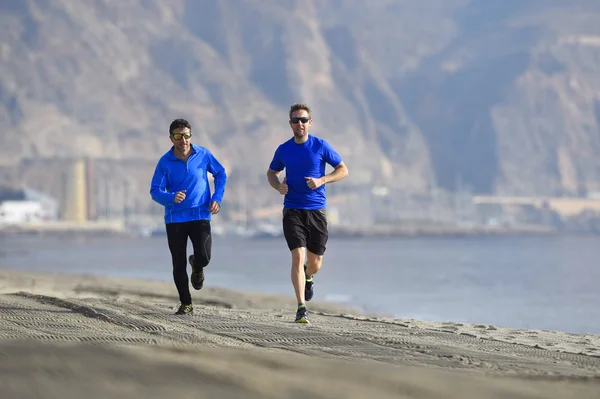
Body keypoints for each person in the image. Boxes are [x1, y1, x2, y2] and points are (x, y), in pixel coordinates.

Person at [267, 103, 349, 323]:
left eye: (303, 120)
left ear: (310, 123)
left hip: (317, 210)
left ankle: (309, 276)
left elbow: (343, 170)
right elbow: (271, 172)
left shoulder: (321, 146)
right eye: (295, 121)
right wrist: (278, 186)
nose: (299, 124)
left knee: (315, 262)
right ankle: (301, 307)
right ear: (290, 124)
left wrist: (322, 180)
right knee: (297, 256)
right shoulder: (284, 149)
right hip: (292, 209)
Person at [150, 118, 227, 315]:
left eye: (186, 135)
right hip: (175, 219)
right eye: (178, 136)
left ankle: (198, 266)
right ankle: (186, 303)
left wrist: (217, 197)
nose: (183, 140)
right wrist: (171, 197)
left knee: (204, 256)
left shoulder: (203, 154)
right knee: (178, 262)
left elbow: (220, 173)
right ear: (171, 138)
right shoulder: (165, 162)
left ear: (190, 136)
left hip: (201, 214)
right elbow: (155, 191)